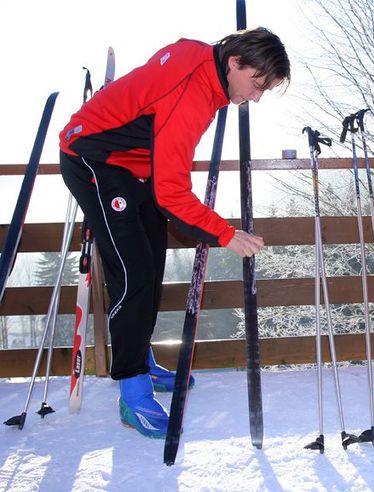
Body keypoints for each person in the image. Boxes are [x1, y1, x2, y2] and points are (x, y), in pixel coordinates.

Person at [59, 27, 290, 437]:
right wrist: (224, 234)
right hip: (92, 156)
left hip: (134, 166)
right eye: (257, 84)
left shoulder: (205, 66)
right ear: (234, 62)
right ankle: (132, 392)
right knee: (133, 274)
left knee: (151, 265)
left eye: (264, 90)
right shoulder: (195, 90)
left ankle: (141, 358)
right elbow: (171, 195)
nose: (256, 98)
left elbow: (164, 151)